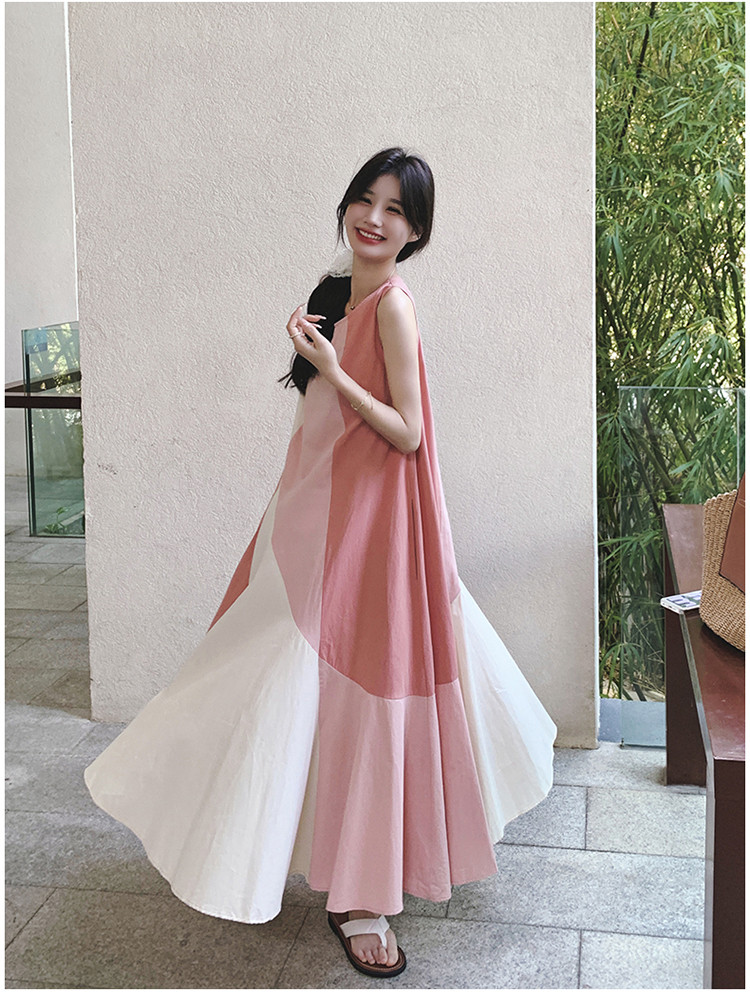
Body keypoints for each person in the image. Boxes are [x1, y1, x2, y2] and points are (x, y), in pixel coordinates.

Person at [84, 147, 557, 980]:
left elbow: (408, 432)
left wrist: (335, 368)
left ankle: (362, 894)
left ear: (416, 232)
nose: (374, 218)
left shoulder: (394, 309)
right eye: (365, 200)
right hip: (310, 521)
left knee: (359, 687)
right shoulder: (336, 294)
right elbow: (314, 427)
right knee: (265, 673)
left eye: (396, 210)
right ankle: (249, 831)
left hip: (371, 531)